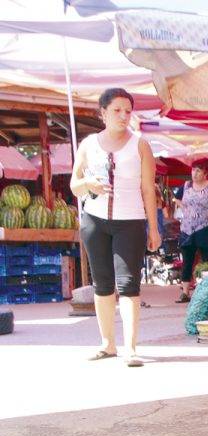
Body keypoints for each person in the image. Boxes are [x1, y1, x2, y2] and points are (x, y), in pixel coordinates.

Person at [70, 88, 161, 367]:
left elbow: (148, 189)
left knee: (129, 284)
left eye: (127, 111)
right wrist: (89, 185)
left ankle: (130, 348)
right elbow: (74, 185)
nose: (123, 116)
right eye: (117, 110)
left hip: (130, 221)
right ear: (103, 113)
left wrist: (153, 228)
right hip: (94, 221)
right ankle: (107, 344)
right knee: (102, 284)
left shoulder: (140, 145)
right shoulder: (88, 144)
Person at [173, 157, 208, 303]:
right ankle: (185, 293)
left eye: (198, 170)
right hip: (187, 228)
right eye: (193, 170)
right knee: (187, 261)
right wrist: (183, 207)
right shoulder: (186, 186)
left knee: (207, 259)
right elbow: (176, 198)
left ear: (205, 173)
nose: (194, 173)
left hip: (205, 227)